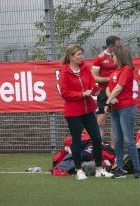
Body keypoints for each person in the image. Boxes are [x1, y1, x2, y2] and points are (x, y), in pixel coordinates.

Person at [59, 44, 113, 180]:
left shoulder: (85, 67)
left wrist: (94, 90)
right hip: (73, 113)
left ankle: (99, 169)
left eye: (81, 54)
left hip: (88, 110)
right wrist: (82, 94)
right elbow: (64, 92)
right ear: (71, 56)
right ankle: (78, 171)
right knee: (76, 141)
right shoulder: (65, 71)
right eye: (78, 55)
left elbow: (93, 84)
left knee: (96, 138)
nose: (81, 57)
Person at [104, 45, 140, 178]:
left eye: (113, 55)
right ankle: (119, 169)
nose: (111, 57)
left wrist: (108, 101)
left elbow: (119, 88)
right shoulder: (114, 71)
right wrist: (110, 98)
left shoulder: (127, 69)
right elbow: (109, 88)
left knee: (128, 139)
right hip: (116, 109)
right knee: (118, 140)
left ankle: (137, 169)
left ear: (118, 56)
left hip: (126, 108)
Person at [91, 36, 122, 147]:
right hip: (104, 92)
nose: (120, 47)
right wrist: (110, 79)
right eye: (118, 45)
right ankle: (98, 148)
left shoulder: (120, 56)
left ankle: (113, 149)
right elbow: (94, 77)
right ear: (111, 46)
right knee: (101, 121)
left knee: (116, 122)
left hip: (118, 92)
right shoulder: (100, 58)